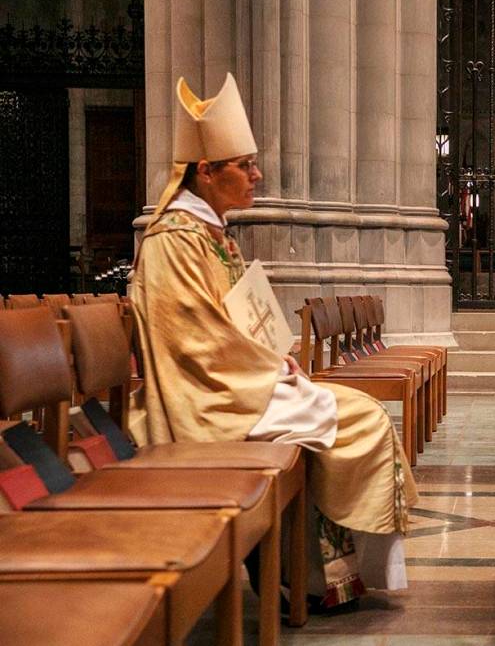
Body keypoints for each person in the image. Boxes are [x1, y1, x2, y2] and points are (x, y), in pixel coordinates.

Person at [129, 73, 417, 610]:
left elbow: (239, 320)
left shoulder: (214, 235)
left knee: (357, 416)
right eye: (245, 165)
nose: (257, 174)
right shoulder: (173, 241)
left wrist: (275, 354)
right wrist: (271, 369)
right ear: (207, 172)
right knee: (363, 420)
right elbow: (193, 341)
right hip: (207, 400)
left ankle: (308, 579)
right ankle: (301, 579)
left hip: (237, 384)